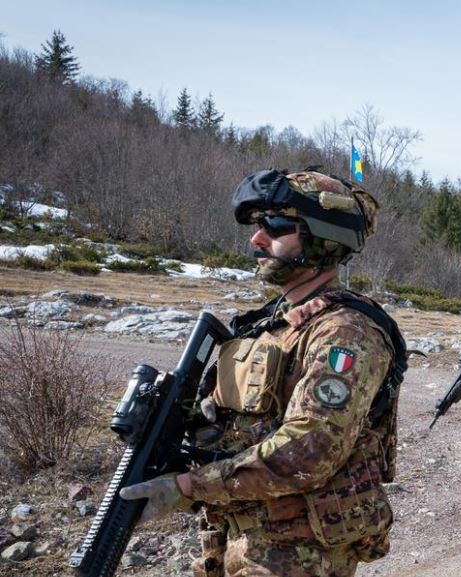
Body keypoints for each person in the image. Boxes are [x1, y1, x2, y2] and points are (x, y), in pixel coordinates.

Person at [119, 169, 405, 577]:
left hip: (299, 554)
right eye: (258, 226)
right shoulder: (272, 324)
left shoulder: (346, 332)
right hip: (234, 539)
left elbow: (310, 449)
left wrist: (188, 488)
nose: (257, 239)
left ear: (321, 236)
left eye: (274, 226)